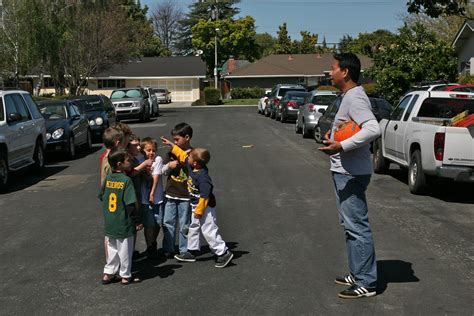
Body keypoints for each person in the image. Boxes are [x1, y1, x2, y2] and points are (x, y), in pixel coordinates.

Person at [319, 53, 381, 299]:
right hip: (345, 171)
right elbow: (350, 130)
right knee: (349, 226)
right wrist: (334, 141)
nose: (329, 72)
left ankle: (367, 281)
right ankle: (358, 273)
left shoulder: (355, 97)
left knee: (357, 227)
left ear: (345, 72)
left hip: (351, 173)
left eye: (332, 68)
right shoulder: (349, 96)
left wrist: (341, 147)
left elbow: (373, 128)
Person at [161, 137, 233, 268]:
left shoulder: (203, 177)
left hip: (205, 207)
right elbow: (182, 154)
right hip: (195, 204)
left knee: (209, 230)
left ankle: (223, 252)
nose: (187, 158)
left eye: (190, 157)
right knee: (193, 228)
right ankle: (192, 251)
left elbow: (205, 196)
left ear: (195, 163)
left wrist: (199, 211)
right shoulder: (191, 166)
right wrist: (171, 145)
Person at [99, 148, 143, 285]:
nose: (130, 163)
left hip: (110, 221)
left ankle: (108, 273)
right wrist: (137, 220)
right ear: (119, 164)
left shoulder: (108, 179)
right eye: (127, 161)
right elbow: (130, 204)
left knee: (112, 248)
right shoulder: (126, 180)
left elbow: (101, 196)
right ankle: (125, 275)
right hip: (123, 221)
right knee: (125, 249)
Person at [161, 123, 193, 258]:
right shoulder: (171, 153)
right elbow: (163, 171)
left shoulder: (193, 154)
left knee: (185, 224)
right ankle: (168, 248)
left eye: (177, 139)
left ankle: (184, 250)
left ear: (187, 137)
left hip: (185, 195)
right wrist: (169, 165)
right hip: (171, 193)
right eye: (173, 140)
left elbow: (191, 166)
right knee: (168, 222)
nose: (175, 142)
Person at [139, 137, 165, 259]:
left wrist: (152, 193)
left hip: (157, 197)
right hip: (144, 199)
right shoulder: (140, 160)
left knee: (157, 222)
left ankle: (153, 241)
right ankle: (150, 246)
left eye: (153, 150)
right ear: (143, 150)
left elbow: (156, 177)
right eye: (148, 150)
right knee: (149, 224)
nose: (151, 153)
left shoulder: (158, 160)